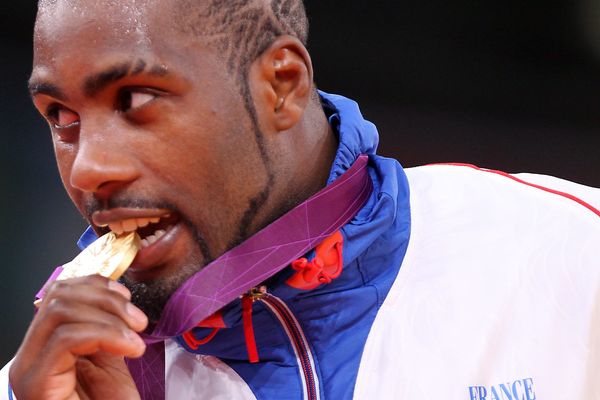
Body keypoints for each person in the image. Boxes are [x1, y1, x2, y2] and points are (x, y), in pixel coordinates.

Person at [2, 0, 600, 399]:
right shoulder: (47, 385)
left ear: (280, 86)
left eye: (135, 100)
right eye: (61, 117)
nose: (89, 167)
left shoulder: (571, 256)